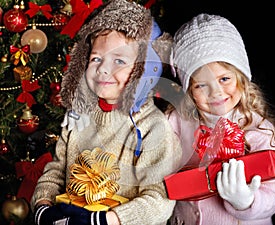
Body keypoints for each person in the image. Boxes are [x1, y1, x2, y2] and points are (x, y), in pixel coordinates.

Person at [30, 0, 182, 225]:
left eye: (119, 60)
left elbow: (159, 199)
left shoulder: (153, 128)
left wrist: (105, 220)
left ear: (144, 69)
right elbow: (57, 169)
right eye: (96, 59)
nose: (103, 68)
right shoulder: (79, 117)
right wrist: (44, 206)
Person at [166, 13, 275, 225]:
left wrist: (246, 201)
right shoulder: (177, 122)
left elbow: (273, 197)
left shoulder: (259, 129)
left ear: (241, 78)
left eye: (224, 79)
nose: (216, 92)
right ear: (188, 90)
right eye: (201, 85)